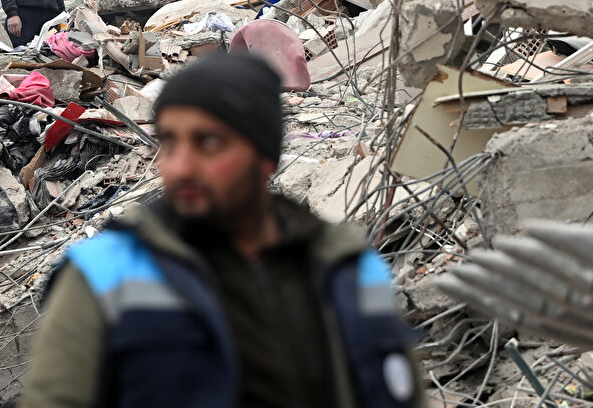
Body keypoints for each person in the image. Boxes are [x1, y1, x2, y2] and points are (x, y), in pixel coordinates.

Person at [21, 53, 425, 408]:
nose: (179, 167)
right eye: (170, 143)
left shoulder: (348, 267)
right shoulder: (103, 274)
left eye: (208, 143)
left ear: (264, 155)